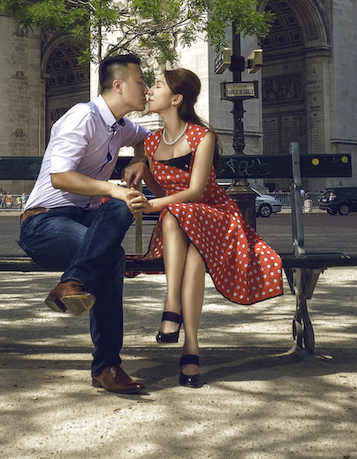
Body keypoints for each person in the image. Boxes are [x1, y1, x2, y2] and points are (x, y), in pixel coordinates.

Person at [136, 67, 283, 388]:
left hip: (215, 216)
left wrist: (150, 206)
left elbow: (195, 192)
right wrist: (142, 170)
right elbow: (165, 193)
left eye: (157, 85)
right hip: (183, 222)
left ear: (176, 98)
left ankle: (171, 305)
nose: (149, 90)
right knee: (190, 251)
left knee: (174, 214)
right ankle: (191, 347)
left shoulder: (203, 137)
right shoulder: (148, 142)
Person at [17, 53, 152, 394]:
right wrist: (112, 188)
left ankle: (72, 283)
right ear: (119, 85)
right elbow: (61, 177)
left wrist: (139, 160)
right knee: (113, 257)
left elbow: (148, 139)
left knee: (124, 206)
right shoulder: (82, 116)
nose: (147, 88)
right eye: (141, 81)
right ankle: (106, 366)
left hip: (85, 222)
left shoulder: (122, 126)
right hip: (45, 223)